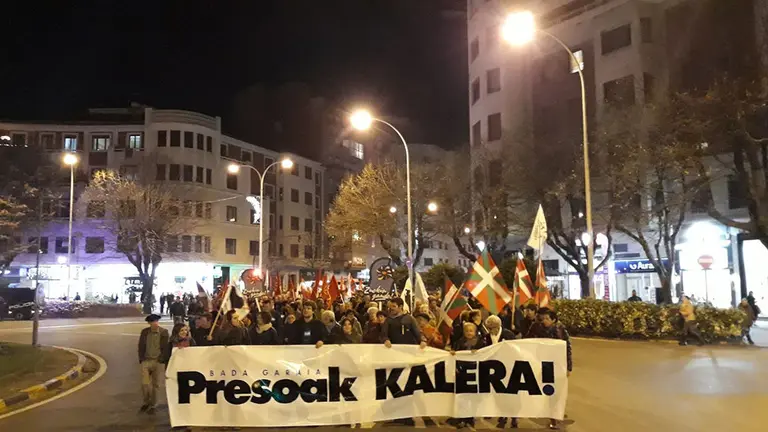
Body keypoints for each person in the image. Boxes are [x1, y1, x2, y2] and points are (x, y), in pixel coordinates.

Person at [525, 308, 572, 430]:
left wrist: (569, 367)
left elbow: (567, 348)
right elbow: (527, 340)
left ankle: (554, 417)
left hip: (558, 365)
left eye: (547, 318)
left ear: (553, 319)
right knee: (546, 390)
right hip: (542, 364)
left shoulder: (560, 330)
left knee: (556, 392)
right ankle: (552, 415)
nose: (544, 321)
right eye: (542, 318)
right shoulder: (536, 327)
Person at [449, 322, 486, 430]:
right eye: (467, 331)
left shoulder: (481, 343)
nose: (469, 333)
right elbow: (453, 354)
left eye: (471, 331)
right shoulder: (458, 342)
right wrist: (452, 355)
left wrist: (478, 352)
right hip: (461, 372)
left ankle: (470, 417)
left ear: (475, 332)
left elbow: (485, 354)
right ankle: (462, 418)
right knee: (462, 396)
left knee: (472, 396)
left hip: (474, 373)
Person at [484, 315, 518, 429]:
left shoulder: (509, 335)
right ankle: (502, 416)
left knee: (511, 394)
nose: (490, 330)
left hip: (509, 367)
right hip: (495, 369)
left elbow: (516, 349)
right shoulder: (486, 337)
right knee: (499, 394)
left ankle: (514, 418)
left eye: (492, 328)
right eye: (489, 328)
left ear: (498, 326)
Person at [137, 314, 170, 415]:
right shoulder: (145, 332)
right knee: (145, 384)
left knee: (156, 384)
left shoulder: (164, 332)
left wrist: (162, 359)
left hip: (158, 361)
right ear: (149, 323)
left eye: (156, 321)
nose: (155, 323)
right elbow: (141, 345)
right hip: (146, 361)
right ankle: (146, 402)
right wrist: (141, 358)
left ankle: (153, 404)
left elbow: (166, 348)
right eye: (152, 322)